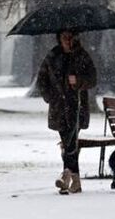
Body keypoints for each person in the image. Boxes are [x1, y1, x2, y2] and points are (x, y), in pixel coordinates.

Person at [36, 30, 97, 195]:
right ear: (59, 39)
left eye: (70, 37)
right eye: (64, 37)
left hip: (77, 107)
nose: (67, 41)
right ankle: (74, 180)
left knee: (70, 140)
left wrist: (78, 81)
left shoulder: (81, 56)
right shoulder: (53, 56)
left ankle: (66, 175)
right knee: (68, 141)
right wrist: (50, 97)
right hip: (59, 108)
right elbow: (41, 79)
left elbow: (93, 78)